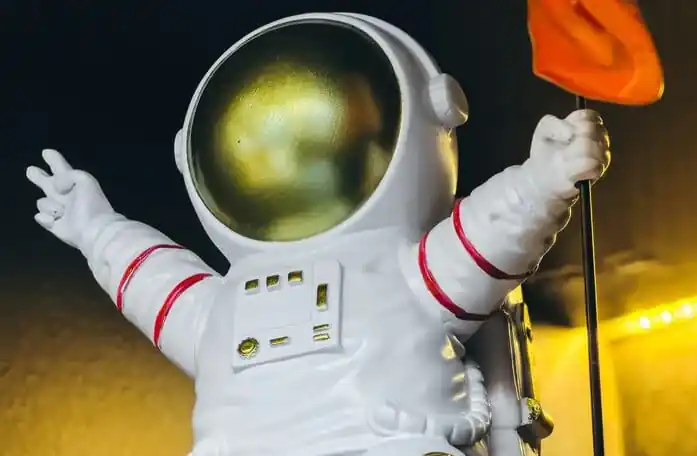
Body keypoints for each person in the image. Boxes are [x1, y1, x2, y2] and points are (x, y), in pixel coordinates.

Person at [26, 13, 610, 456]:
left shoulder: (403, 276)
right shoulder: (228, 308)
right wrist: (94, 225)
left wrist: (544, 179)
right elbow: (154, 280)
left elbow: (487, 237)